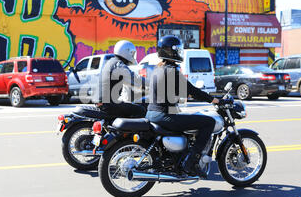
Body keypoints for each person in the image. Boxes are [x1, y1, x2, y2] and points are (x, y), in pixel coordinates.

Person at [146, 35, 224, 177]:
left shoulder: (158, 69)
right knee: (209, 122)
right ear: (171, 51)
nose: (180, 52)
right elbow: (191, 90)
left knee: (187, 123)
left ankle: (181, 158)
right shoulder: (171, 71)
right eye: (178, 49)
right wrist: (214, 100)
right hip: (164, 115)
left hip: (152, 113)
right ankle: (192, 162)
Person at [95, 40, 146, 117]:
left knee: (128, 105)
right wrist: (152, 83)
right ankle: (131, 129)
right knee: (141, 110)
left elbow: (128, 81)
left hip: (102, 102)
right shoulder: (118, 64)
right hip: (108, 104)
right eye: (132, 53)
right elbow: (134, 78)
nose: (133, 56)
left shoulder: (111, 62)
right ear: (126, 52)